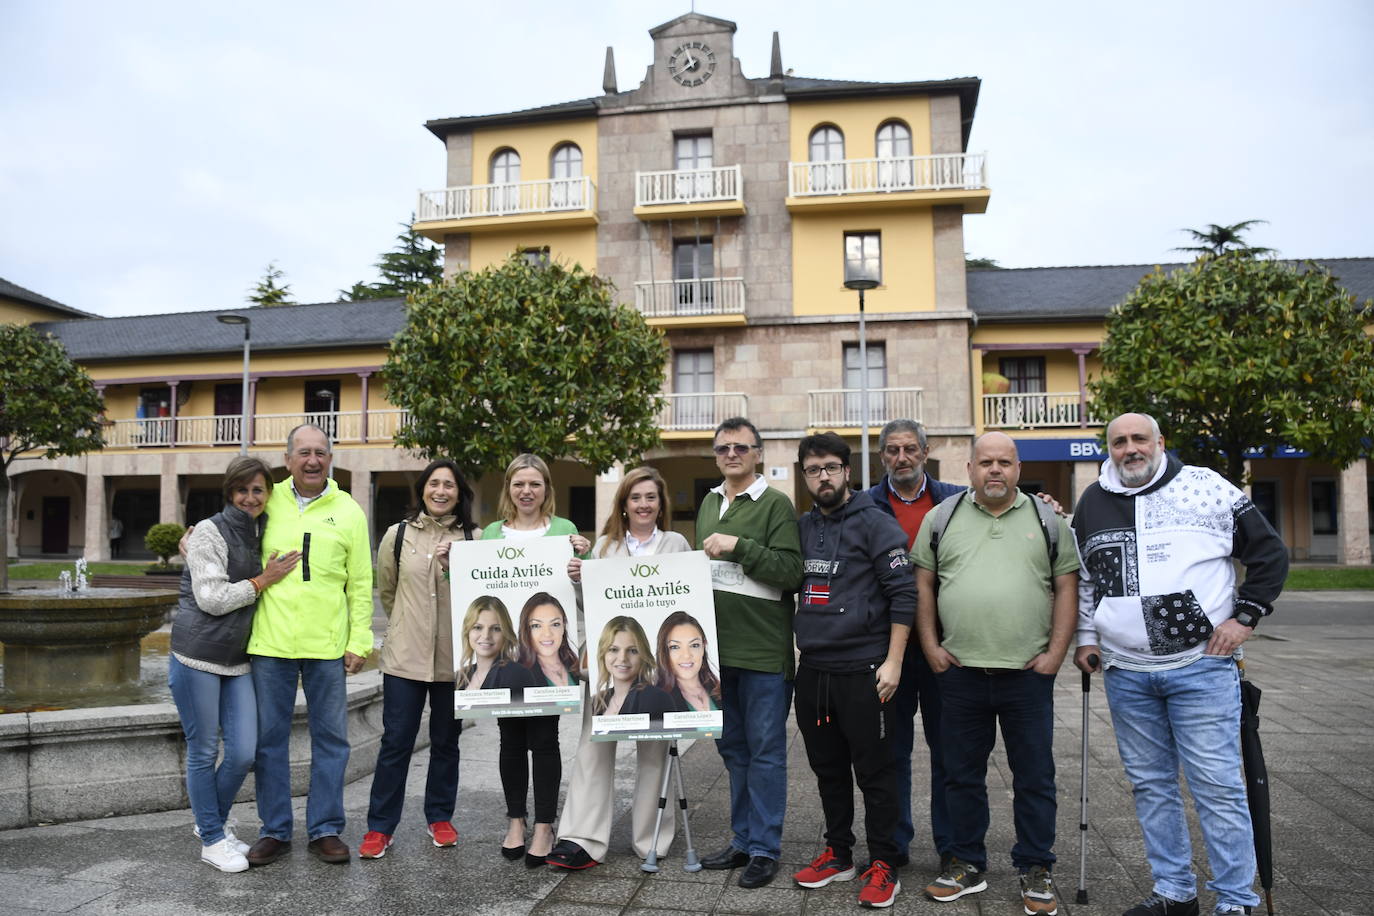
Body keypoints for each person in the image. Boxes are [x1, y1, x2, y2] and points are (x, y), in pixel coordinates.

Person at [1072, 413, 1288, 916]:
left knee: (1217, 786)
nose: (1130, 449)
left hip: (1202, 667)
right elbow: (1085, 581)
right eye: (1119, 441)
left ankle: (1235, 901)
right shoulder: (1092, 502)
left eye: (1139, 439)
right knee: (1151, 787)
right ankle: (1174, 892)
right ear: (1110, 448)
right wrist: (1086, 639)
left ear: (1160, 443)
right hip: (1126, 672)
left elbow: (1270, 554)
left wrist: (1245, 618)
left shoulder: (1206, 487)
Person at [913, 432, 1078, 914]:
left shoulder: (1047, 520)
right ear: (969, 468)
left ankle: (1035, 866)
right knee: (960, 775)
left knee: (1034, 776)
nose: (995, 471)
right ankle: (966, 862)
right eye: (986, 462)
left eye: (1004, 462)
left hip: (1028, 674)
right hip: (961, 671)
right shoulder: (941, 518)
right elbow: (923, 585)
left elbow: (1067, 588)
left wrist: (1055, 655)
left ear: (1018, 468)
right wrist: (931, 647)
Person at [791, 432, 915, 909]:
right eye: (813, 470)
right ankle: (838, 853)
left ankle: (884, 862)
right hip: (815, 672)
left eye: (830, 468)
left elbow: (904, 594)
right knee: (827, 770)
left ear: (847, 471)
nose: (823, 477)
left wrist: (894, 661)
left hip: (866, 671)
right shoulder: (803, 527)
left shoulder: (876, 523)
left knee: (876, 774)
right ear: (804, 476)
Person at [547, 466, 690, 871]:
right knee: (593, 748)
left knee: (654, 752)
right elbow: (591, 610)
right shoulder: (606, 548)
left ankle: (651, 841)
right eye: (635, 497)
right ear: (623, 505)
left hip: (658, 669)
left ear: (661, 503)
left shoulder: (677, 544)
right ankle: (583, 840)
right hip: (609, 669)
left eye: (651, 497)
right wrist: (578, 581)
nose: (643, 504)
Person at [245, 424, 374, 867]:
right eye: (304, 452)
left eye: (320, 452)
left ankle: (324, 829)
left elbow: (360, 583)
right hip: (271, 644)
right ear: (288, 459)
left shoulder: (350, 510)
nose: (313, 460)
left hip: (327, 646)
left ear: (331, 458)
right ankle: (275, 830)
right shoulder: (268, 501)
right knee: (269, 741)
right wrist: (194, 542)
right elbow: (229, 537)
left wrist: (360, 639)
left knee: (332, 740)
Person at [169, 456, 299, 873]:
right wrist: (264, 580)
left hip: (237, 659)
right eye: (242, 490)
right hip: (196, 655)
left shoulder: (263, 529)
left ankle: (210, 822)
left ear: (268, 495)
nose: (249, 497)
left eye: (258, 490)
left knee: (243, 751)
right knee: (204, 750)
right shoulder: (208, 530)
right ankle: (211, 838)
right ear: (229, 492)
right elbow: (211, 598)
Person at [696, 417, 803, 889]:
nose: (732, 454)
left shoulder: (776, 504)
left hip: (763, 655)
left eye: (741, 447)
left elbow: (792, 572)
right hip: (717, 656)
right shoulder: (707, 502)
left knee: (765, 753)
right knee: (733, 750)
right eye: (723, 448)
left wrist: (741, 547)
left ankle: (764, 848)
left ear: (759, 453)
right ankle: (742, 839)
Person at [358, 459, 479, 860]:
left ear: (460, 493)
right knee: (395, 742)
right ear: (423, 489)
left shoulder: (475, 540)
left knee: (447, 741)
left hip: (455, 659)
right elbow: (388, 593)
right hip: (404, 658)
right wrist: (407, 627)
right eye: (434, 483)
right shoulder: (397, 535)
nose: (441, 491)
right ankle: (380, 827)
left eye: (450, 485)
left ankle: (439, 816)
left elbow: (483, 599)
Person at [479, 453, 590, 867]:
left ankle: (545, 825)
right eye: (519, 484)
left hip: (548, 657)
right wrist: (448, 566)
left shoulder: (564, 531)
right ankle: (515, 821)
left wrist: (585, 565)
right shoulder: (492, 533)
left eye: (535, 484)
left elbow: (581, 594)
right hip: (506, 656)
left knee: (544, 741)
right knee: (510, 740)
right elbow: (475, 589)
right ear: (509, 489)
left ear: (547, 489)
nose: (527, 491)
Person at [863, 418, 963, 872]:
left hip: (946, 643)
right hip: (889, 648)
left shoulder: (957, 500)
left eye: (909, 449)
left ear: (925, 452)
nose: (901, 458)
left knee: (950, 750)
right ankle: (895, 842)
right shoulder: (866, 505)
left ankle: (952, 844)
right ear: (881, 456)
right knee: (891, 750)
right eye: (892, 451)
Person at [655, 610, 721, 713]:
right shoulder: (655, 700)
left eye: (694, 645)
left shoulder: (720, 691)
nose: (686, 655)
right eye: (675, 647)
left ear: (704, 646)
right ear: (664, 652)